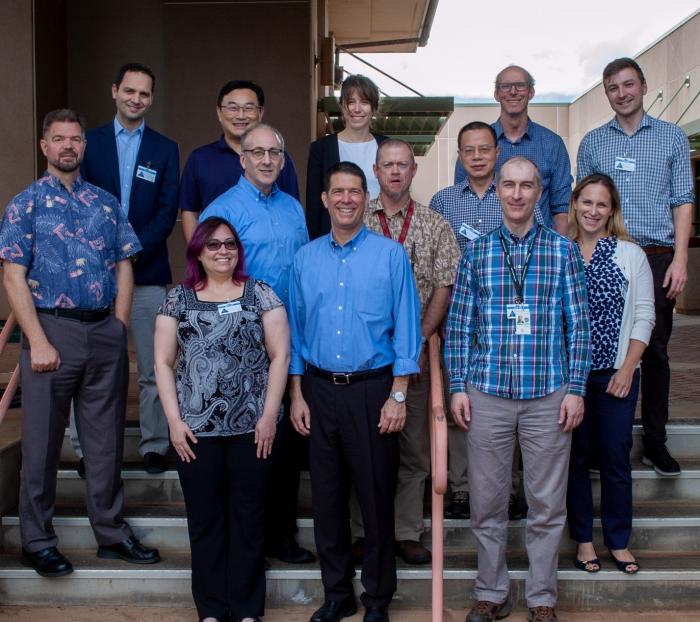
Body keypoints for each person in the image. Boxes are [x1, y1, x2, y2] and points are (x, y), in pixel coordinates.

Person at [0, 108, 159, 578]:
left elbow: (124, 265)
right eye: (58, 139)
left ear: (82, 146)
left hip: (102, 332)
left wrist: (119, 326)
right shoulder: (25, 204)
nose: (68, 145)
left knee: (106, 441)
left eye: (75, 138)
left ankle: (111, 533)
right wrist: (37, 340)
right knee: (43, 444)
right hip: (51, 332)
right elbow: (13, 274)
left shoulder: (105, 204)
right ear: (45, 146)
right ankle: (37, 540)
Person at [447, 156, 590, 622]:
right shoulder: (477, 252)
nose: (516, 193)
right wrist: (456, 387)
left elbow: (580, 329)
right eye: (508, 184)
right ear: (499, 190)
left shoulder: (563, 251)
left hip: (548, 394)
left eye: (526, 185)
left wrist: (576, 389)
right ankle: (491, 593)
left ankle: (542, 599)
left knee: (546, 506)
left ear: (539, 191)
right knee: (487, 505)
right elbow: (459, 326)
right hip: (486, 393)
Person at [289, 162, 421, 622]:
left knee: (375, 498)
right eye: (337, 192)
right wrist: (296, 393)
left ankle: (378, 599)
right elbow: (296, 333)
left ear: (367, 199)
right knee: (327, 501)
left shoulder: (390, 256)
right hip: (320, 392)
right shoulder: (304, 259)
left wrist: (398, 394)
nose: (346, 199)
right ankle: (337, 595)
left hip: (373, 392)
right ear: (324, 200)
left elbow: (407, 328)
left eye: (355, 192)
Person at [155, 217, 289, 622]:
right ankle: (211, 609)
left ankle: (247, 608)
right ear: (197, 250)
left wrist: (268, 417)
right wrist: (174, 422)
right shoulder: (177, 299)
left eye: (229, 244)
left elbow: (280, 356)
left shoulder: (260, 294)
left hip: (254, 429)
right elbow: (163, 364)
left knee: (249, 519)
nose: (222, 251)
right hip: (195, 432)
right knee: (206, 520)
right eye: (212, 245)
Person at [200, 123, 313, 564]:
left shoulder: (293, 208)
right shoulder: (223, 210)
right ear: (242, 159)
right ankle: (248, 541)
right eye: (258, 152)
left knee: (282, 446)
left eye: (274, 153)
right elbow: (209, 276)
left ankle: (281, 535)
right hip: (240, 345)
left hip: (288, 344)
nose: (267, 160)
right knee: (249, 449)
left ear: (283, 160)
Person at [577, 57, 694, 477]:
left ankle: (656, 444)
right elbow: (585, 203)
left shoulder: (672, 137)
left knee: (655, 350)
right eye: (613, 87)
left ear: (643, 86)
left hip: (655, 255)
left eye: (628, 85)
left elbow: (682, 200)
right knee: (596, 350)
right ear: (606, 93)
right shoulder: (593, 142)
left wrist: (680, 257)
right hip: (605, 255)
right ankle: (591, 443)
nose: (622, 93)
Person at [431, 121, 542, 520]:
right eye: (468, 151)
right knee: (464, 406)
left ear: (497, 153)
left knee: (511, 401)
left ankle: (511, 487)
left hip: (506, 320)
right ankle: (461, 486)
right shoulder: (444, 201)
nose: (476, 157)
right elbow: (438, 260)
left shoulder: (514, 190)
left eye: (484, 149)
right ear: (459, 156)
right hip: (461, 316)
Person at [80, 62, 180, 474]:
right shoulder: (90, 142)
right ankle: (90, 451)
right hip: (94, 277)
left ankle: (155, 444)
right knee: (94, 370)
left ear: (151, 98)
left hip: (148, 273)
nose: (136, 99)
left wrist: (131, 250)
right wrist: (106, 253)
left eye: (144, 93)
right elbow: (79, 201)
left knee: (156, 367)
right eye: (130, 91)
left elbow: (166, 208)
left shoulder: (164, 148)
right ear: (114, 91)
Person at [362, 138, 459, 564]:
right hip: (364, 356)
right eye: (388, 165)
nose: (396, 172)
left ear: (414, 170)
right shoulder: (355, 218)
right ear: (376, 171)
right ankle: (365, 532)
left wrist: (416, 340)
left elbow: (443, 285)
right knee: (361, 447)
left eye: (403, 165)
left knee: (414, 448)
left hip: (416, 354)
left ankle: (405, 532)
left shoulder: (435, 224)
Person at [566, 174, 654, 576]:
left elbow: (644, 316)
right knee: (577, 459)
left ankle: (618, 541)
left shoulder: (630, 254)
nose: (593, 211)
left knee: (616, 456)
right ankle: (583, 540)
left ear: (611, 210)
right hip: (570, 379)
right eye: (587, 202)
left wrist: (628, 367)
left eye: (601, 204)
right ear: (575, 204)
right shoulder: (560, 251)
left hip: (616, 374)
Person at [454, 65, 572, 234]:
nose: (513, 91)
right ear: (496, 94)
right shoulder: (476, 147)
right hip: (484, 247)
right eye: (505, 86)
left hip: (537, 251)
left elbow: (561, 207)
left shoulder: (552, 144)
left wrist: (559, 251)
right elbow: (461, 198)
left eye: (520, 85)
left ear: (531, 92)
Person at [179, 79, 300, 241]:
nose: (241, 115)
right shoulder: (199, 159)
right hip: (219, 256)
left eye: (249, 108)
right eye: (233, 108)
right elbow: (190, 212)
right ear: (219, 113)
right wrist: (200, 256)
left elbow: (290, 211)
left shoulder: (277, 159)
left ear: (261, 112)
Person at [306, 74, 388, 239]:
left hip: (381, 235)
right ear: (343, 106)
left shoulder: (386, 146)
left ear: (373, 107)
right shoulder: (321, 149)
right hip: (335, 238)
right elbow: (314, 206)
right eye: (351, 102)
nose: (357, 109)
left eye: (364, 102)